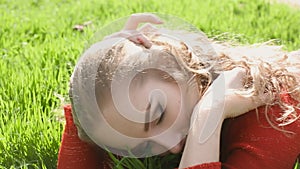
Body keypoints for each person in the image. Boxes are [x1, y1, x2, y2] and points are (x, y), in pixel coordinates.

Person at [57, 13, 300, 169]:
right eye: (142, 148)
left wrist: (209, 113)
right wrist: (91, 83)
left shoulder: (275, 113)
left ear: (177, 64)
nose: (172, 146)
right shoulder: (149, 123)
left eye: (160, 114)